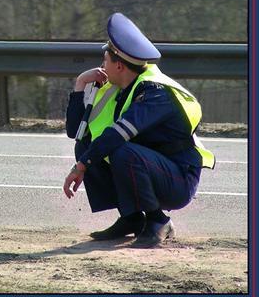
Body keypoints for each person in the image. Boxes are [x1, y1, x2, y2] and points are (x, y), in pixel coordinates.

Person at [63, 13, 215, 248]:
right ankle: (131, 218)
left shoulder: (156, 93)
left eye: (105, 60)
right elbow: (77, 133)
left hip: (178, 178)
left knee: (120, 150)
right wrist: (81, 84)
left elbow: (118, 135)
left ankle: (159, 221)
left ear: (119, 65)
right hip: (153, 167)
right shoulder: (119, 87)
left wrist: (80, 167)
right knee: (87, 147)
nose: (102, 66)